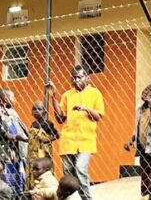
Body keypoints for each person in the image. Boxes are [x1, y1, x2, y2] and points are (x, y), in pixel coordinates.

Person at [47, 65, 105, 200]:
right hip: (68, 140)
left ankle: (86, 198)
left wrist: (86, 109)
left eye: (79, 77)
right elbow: (60, 118)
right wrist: (54, 97)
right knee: (68, 174)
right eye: (73, 78)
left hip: (86, 140)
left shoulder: (95, 93)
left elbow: (98, 117)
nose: (76, 80)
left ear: (88, 78)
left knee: (80, 168)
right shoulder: (67, 95)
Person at [124, 84, 151, 200]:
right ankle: (150, 196)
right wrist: (131, 139)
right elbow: (138, 126)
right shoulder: (140, 108)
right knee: (145, 173)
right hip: (143, 147)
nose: (146, 92)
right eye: (146, 89)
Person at [0, 88, 31, 195]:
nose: (15, 99)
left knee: (19, 179)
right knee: (6, 179)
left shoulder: (14, 113)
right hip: (4, 152)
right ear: (6, 99)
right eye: (13, 97)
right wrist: (15, 137)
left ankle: (18, 195)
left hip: (18, 153)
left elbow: (23, 129)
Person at [29, 100, 60, 174]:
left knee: (44, 168)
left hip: (44, 151)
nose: (36, 111)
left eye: (39, 109)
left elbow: (56, 136)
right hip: (34, 151)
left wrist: (46, 140)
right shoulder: (33, 124)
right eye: (34, 109)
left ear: (44, 111)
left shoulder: (47, 123)